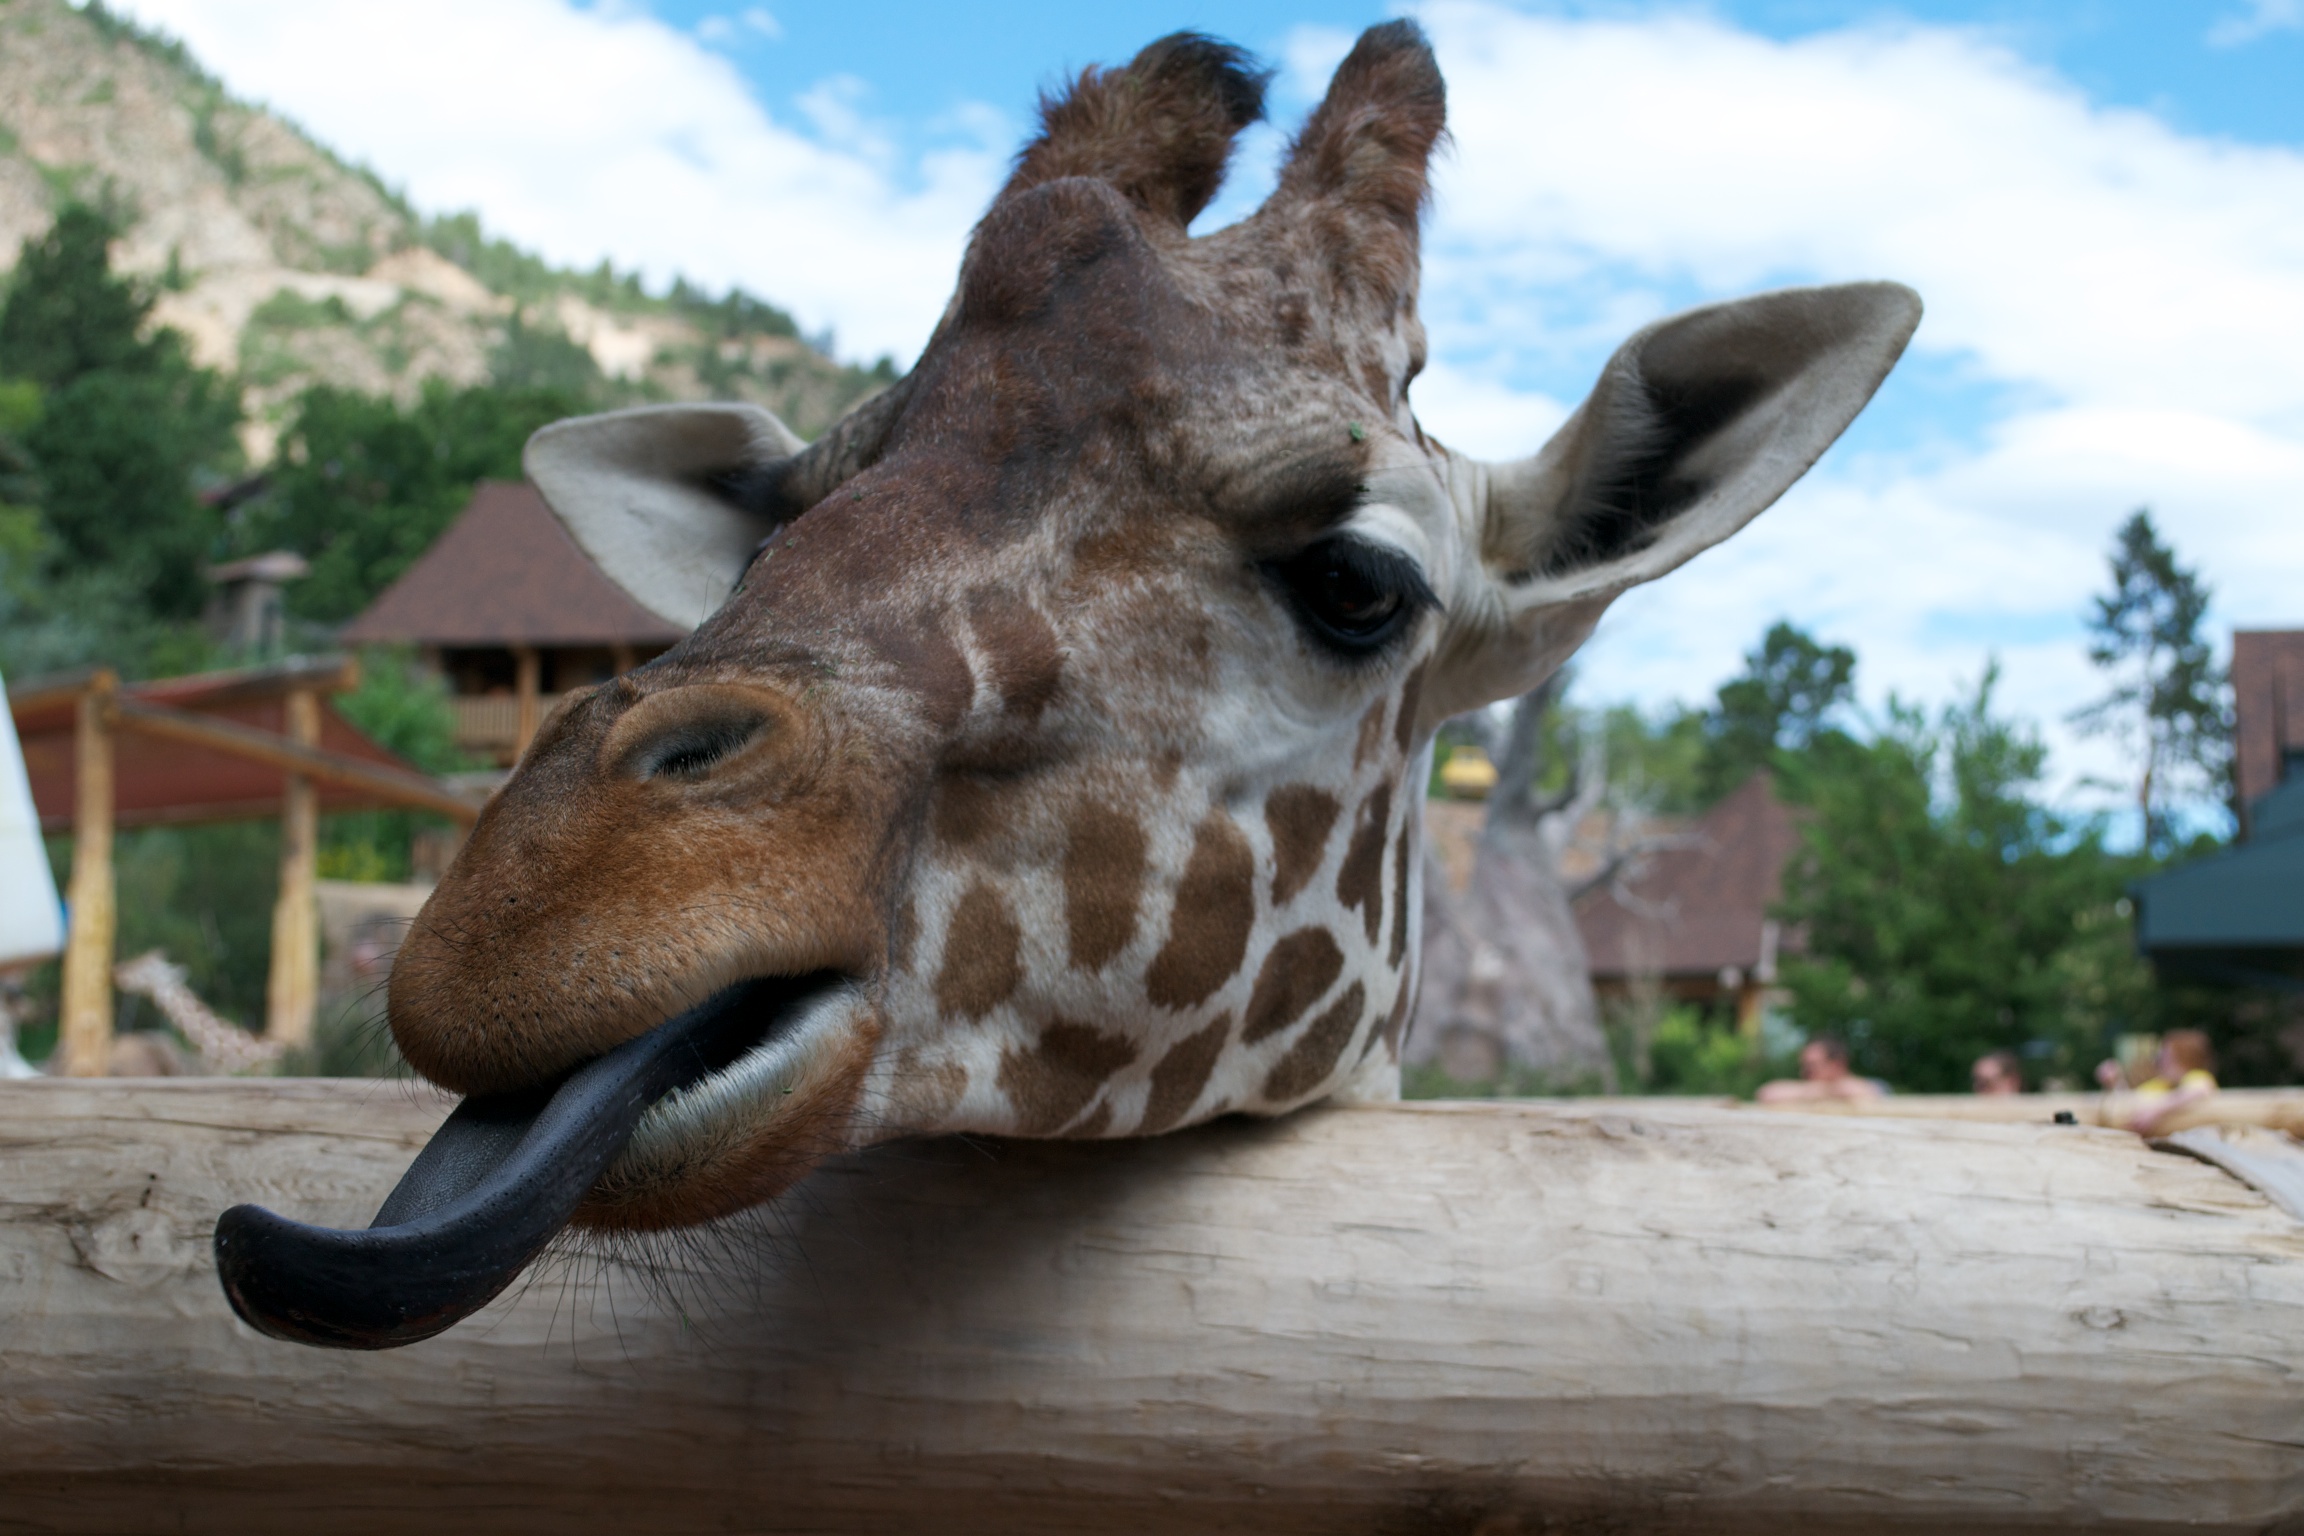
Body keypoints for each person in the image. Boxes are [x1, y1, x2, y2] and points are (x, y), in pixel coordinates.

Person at [2102, 1030, 2217, 1136]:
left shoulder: (2195, 1076)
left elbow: (2201, 1089)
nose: (2159, 1059)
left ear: (2184, 1057)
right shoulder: (2162, 1084)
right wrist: (2115, 1082)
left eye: (2166, 1055)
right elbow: (2130, 1102)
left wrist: (2155, 1111)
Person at [1757, 1035, 1885, 1104]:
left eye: (1812, 1066)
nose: (1805, 1072)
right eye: (1803, 1066)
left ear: (1837, 1064)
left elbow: (1866, 1094)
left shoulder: (1873, 1086)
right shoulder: (1812, 1092)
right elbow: (1766, 1093)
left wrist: (1822, 1090)